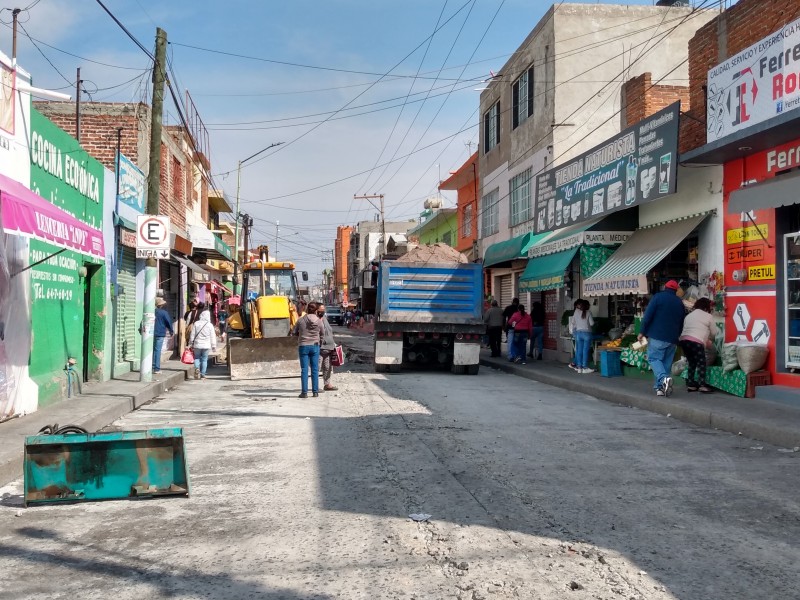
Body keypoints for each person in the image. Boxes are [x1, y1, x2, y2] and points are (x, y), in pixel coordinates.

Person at [639, 280, 686, 397]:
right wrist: (678, 335)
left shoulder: (658, 298)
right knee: (665, 364)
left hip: (657, 336)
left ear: (664, 287)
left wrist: (642, 332)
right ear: (676, 290)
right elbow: (681, 321)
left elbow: (647, 316)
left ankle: (664, 378)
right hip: (673, 339)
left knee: (654, 359)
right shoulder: (679, 302)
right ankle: (659, 388)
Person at [679, 297, 718, 394]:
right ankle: (702, 385)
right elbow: (714, 332)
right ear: (707, 306)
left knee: (691, 362)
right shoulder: (708, 316)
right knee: (701, 362)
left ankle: (691, 384)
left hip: (684, 341)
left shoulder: (689, 315)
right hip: (696, 342)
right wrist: (709, 339)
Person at [292, 301, 323, 398]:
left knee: (304, 370)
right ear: (316, 311)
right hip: (315, 346)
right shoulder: (319, 321)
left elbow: (294, 332)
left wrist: (300, 334)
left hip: (303, 346)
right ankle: (315, 392)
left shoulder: (300, 320)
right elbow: (322, 334)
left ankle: (304, 393)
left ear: (307, 309)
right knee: (315, 369)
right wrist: (319, 343)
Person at [188, 305, 216, 380]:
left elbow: (192, 335)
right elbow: (213, 336)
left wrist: (190, 343)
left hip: (197, 344)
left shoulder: (196, 323)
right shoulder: (210, 325)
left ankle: (197, 368)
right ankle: (203, 374)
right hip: (206, 345)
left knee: (197, 358)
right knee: (204, 359)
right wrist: (214, 346)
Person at [316, 303, 338, 391]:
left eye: (323, 310)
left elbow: (329, 332)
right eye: (320, 310)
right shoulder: (315, 320)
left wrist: (333, 344)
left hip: (329, 348)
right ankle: (315, 386)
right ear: (316, 311)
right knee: (317, 367)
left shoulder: (325, 319)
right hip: (320, 348)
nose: (322, 312)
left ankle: (327, 384)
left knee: (328, 367)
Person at [570, 299, 595, 374]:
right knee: (585, 350)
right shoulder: (588, 312)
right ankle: (585, 367)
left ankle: (579, 367)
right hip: (586, 333)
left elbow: (573, 322)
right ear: (587, 306)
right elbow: (592, 323)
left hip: (578, 333)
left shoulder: (576, 312)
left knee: (579, 350)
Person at [153, 298, 174, 374]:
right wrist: (171, 331)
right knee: (157, 350)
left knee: (152, 350)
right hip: (160, 333)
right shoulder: (164, 313)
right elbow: (168, 322)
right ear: (161, 305)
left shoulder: (152, 311)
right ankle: (156, 368)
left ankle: (152, 365)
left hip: (151, 334)